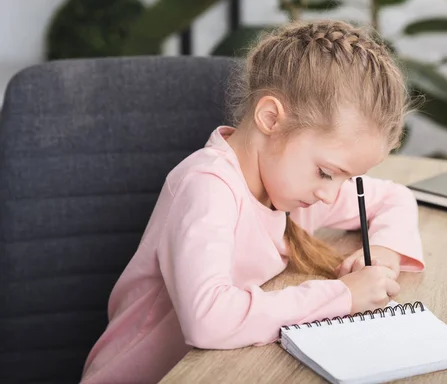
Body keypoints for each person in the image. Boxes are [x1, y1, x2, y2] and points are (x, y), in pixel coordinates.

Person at [81, 19, 425, 384]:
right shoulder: (207, 186)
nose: (331, 194)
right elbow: (208, 320)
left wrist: (385, 253)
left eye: (347, 179)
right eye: (327, 172)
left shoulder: (296, 187)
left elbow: (395, 197)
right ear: (271, 118)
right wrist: (342, 296)